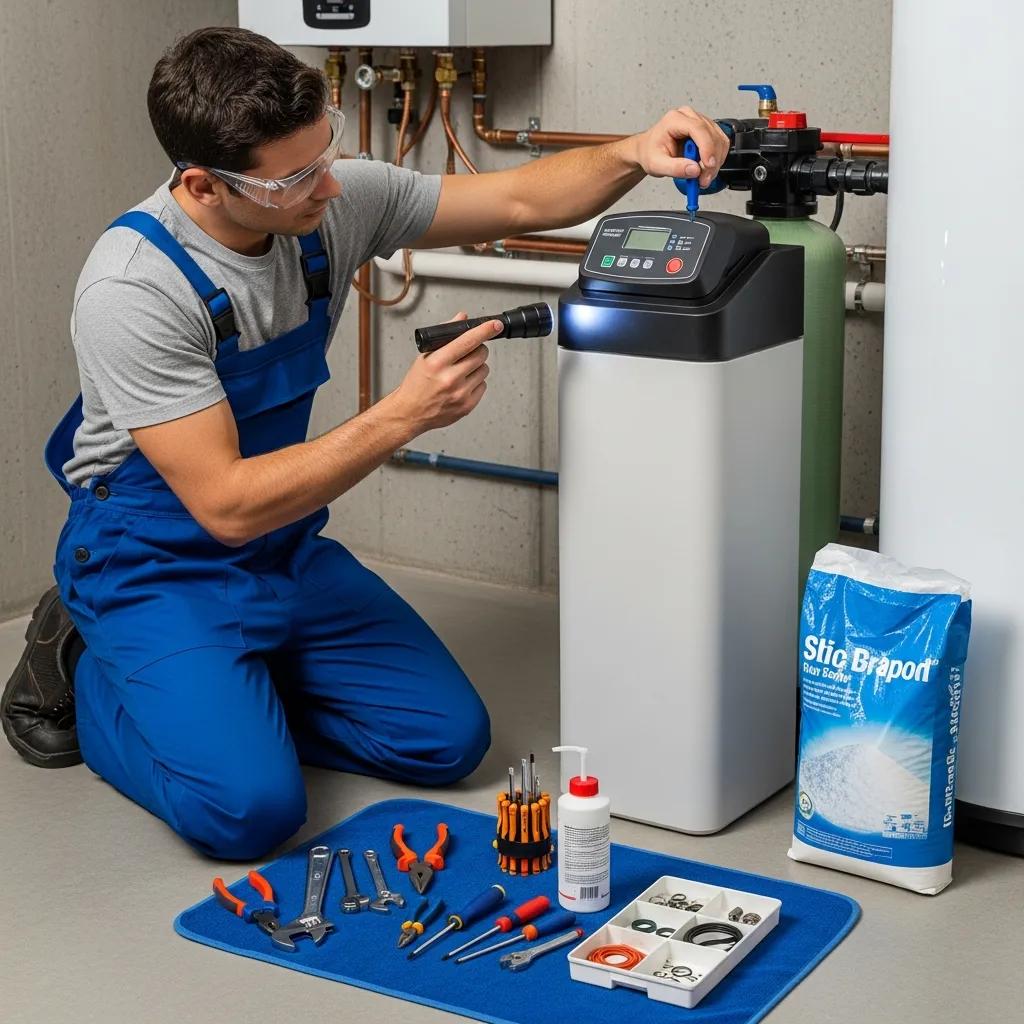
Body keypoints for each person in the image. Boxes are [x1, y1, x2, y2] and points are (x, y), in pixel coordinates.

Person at [1, 27, 728, 858]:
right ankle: (92, 663)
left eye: (327, 155)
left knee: (447, 741)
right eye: (298, 175)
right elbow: (226, 505)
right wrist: (403, 415)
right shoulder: (134, 288)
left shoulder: (325, 201)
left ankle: (224, 695)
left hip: (280, 547)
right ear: (203, 184)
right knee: (249, 813)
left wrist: (634, 151)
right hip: (157, 561)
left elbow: (523, 200)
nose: (329, 185)